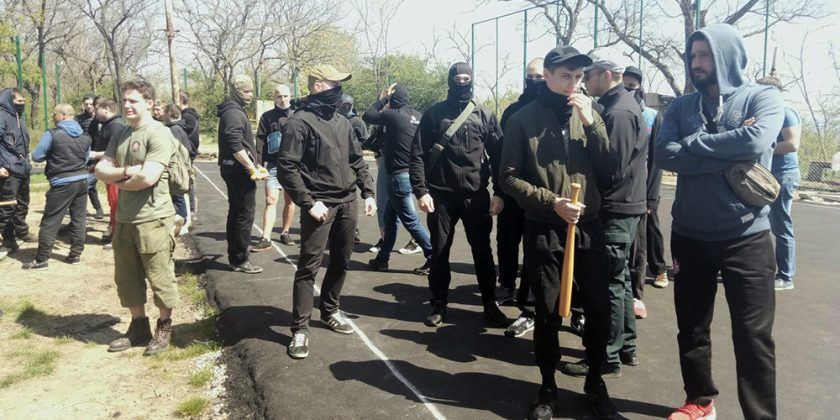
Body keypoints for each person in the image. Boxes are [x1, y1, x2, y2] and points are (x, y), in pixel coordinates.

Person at [655, 23, 784, 420]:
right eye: (693, 55)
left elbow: (756, 142)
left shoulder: (762, 97)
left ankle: (760, 415)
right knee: (692, 327)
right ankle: (700, 401)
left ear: (727, 55)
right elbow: (664, 154)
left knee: (753, 336)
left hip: (747, 235)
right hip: (690, 235)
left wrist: (694, 147)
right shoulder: (679, 107)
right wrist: (724, 150)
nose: (697, 63)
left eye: (705, 54)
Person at [499, 46, 616, 419]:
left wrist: (593, 123)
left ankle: (595, 381)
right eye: (566, 76)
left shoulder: (590, 113)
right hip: (546, 228)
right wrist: (552, 201)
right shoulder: (522, 119)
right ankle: (548, 386)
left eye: (579, 77)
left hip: (588, 228)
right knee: (548, 312)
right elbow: (507, 177)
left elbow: (611, 168)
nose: (573, 84)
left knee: (599, 309)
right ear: (547, 75)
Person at [277, 64, 376, 359]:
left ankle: (330, 310)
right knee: (309, 266)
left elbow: (357, 160)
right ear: (318, 86)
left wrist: (368, 192)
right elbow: (287, 168)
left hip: (348, 203)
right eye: (335, 83)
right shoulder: (299, 123)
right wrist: (309, 202)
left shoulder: (342, 121)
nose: (340, 90)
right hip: (319, 205)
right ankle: (300, 330)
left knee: (342, 261)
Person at [561, 47, 647, 379]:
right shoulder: (614, 107)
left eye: (588, 75)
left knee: (609, 282)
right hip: (621, 205)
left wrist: (585, 132)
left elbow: (613, 166)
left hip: (615, 206)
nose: (584, 81)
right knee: (619, 279)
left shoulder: (619, 113)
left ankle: (607, 354)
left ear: (606, 76)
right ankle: (625, 346)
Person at [409, 62, 509, 328]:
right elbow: (417, 155)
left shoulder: (484, 115)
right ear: (450, 80)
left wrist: (499, 193)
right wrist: (421, 190)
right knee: (440, 252)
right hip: (441, 197)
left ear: (472, 80)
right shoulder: (433, 114)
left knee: (482, 252)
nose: (462, 83)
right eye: (457, 78)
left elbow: (500, 157)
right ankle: (439, 304)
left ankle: (489, 304)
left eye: (467, 78)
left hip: (476, 196)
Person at [94, 80, 180, 356]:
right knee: (127, 278)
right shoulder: (119, 134)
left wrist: (117, 177)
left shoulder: (159, 134)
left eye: (134, 101)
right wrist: (127, 172)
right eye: (125, 101)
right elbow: (100, 170)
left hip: (154, 219)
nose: (128, 106)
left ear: (150, 104)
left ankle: (164, 326)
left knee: (160, 277)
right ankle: (138, 325)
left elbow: (149, 177)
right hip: (125, 218)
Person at [496, 57, 544, 338]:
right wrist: (499, 192)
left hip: (539, 194)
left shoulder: (553, 111)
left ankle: (531, 304)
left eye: (539, 76)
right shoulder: (513, 111)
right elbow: (502, 156)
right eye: (530, 76)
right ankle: (506, 284)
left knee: (536, 248)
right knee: (507, 238)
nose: (534, 81)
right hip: (513, 190)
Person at [363, 83, 432, 274]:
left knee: (410, 220)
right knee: (391, 218)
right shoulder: (419, 116)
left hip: (398, 176)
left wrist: (383, 98)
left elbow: (368, 115)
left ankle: (434, 256)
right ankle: (382, 258)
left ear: (393, 99)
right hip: (415, 173)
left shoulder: (393, 115)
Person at [622, 66, 668, 321]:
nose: (629, 89)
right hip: (618, 193)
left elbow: (658, 160)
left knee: (641, 245)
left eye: (633, 85)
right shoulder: (610, 111)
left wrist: (651, 197)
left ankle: (638, 294)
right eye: (625, 84)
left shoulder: (652, 116)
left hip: (644, 193)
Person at [22, 104, 92, 269]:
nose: (53, 117)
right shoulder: (86, 136)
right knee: (79, 219)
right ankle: (75, 255)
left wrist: (53, 154)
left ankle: (42, 259)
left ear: (64, 115)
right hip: (82, 181)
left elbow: (37, 156)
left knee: (50, 221)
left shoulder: (52, 134)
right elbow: (86, 158)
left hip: (62, 182)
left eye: (54, 114)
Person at [217, 74, 267, 274]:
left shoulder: (234, 111)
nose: (250, 95)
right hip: (238, 172)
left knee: (237, 212)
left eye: (251, 90)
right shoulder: (234, 113)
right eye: (246, 91)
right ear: (236, 92)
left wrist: (253, 164)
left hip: (234, 170)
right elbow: (234, 143)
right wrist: (250, 167)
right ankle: (239, 260)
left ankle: (236, 256)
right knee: (244, 215)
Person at [757, 74, 801, 291]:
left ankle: (785, 276)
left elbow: (793, 144)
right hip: (766, 175)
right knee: (760, 222)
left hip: (784, 175)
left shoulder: (786, 113)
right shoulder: (766, 113)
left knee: (781, 224)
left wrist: (763, 145)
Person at [252, 84, 297, 251]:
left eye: (285, 96)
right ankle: (265, 237)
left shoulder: (297, 115)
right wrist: (258, 163)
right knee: (270, 200)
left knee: (290, 200)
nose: (282, 99)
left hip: (293, 165)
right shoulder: (267, 117)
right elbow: (260, 140)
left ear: (290, 96)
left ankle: (285, 232)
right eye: (279, 96)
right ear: (274, 98)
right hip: (272, 165)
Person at [0, 87, 34, 260]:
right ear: (9, 100)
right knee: (8, 205)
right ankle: (8, 238)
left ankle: (21, 231)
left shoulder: (18, 117)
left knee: (23, 202)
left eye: (24, 101)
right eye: (19, 101)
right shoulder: (2, 116)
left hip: (23, 166)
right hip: (8, 168)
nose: (23, 104)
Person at [90, 99, 127, 246]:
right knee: (113, 204)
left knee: (116, 203)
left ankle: (117, 237)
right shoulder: (108, 125)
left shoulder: (116, 126)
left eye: (97, 109)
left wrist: (96, 155)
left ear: (106, 109)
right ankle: (113, 232)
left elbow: (119, 150)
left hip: (115, 172)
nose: (94, 112)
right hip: (108, 170)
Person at [163, 104, 196, 236]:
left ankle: (184, 222)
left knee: (179, 195)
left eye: (164, 112)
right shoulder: (176, 128)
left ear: (169, 113)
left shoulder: (175, 129)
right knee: (179, 195)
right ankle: (183, 220)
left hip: (177, 167)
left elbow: (180, 149)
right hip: (179, 166)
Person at [77, 94, 105, 221]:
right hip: (86, 154)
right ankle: (98, 208)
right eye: (86, 104)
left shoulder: (102, 119)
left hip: (101, 153)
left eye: (90, 104)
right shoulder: (79, 119)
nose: (88, 106)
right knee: (89, 183)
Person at [179, 91, 200, 221]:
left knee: (187, 181)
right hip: (188, 151)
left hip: (187, 152)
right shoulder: (186, 116)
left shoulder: (187, 116)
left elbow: (189, 135)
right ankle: (189, 208)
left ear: (181, 100)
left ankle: (191, 209)